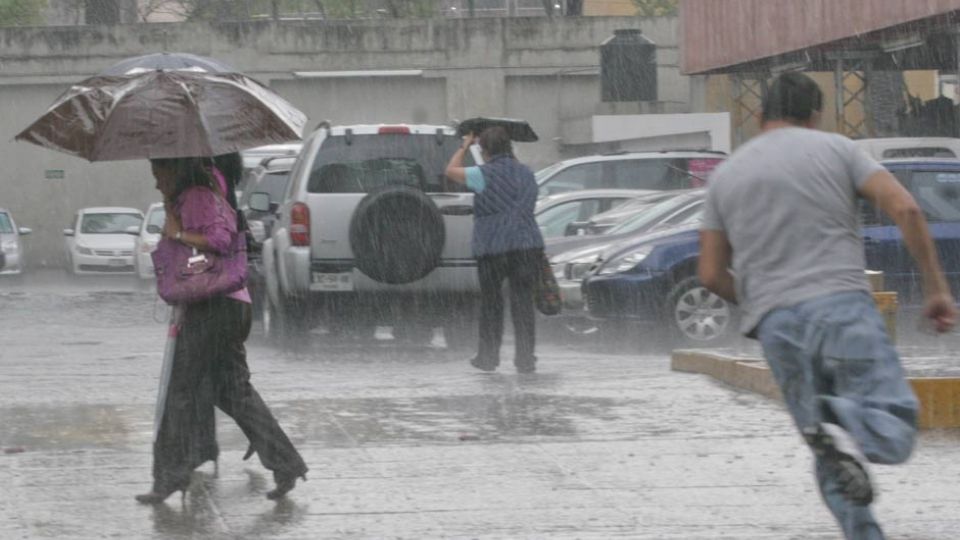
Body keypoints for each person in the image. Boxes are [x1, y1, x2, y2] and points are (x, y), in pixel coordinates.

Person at [698, 72, 957, 539]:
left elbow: (711, 274)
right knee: (893, 423)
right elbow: (908, 209)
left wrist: (761, 302)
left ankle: (857, 514)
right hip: (841, 306)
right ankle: (845, 421)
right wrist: (937, 287)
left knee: (829, 456)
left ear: (760, 116)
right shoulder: (837, 149)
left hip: (777, 327)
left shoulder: (726, 175)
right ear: (815, 114)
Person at [136, 157, 308, 504]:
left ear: (176, 169)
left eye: (159, 174)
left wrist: (177, 233)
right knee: (232, 392)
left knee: (180, 391)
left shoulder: (198, 194)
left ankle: (170, 476)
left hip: (214, 307)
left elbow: (220, 239)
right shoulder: (197, 193)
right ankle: (286, 463)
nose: (156, 182)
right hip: (228, 305)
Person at [445, 126, 545, 374]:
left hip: (493, 247)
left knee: (492, 303)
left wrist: (464, 146)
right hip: (526, 245)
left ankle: (488, 357)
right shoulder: (527, 174)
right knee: (523, 304)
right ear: (510, 149)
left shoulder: (482, 174)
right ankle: (525, 359)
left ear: (485, 150)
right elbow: (515, 173)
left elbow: (450, 171)